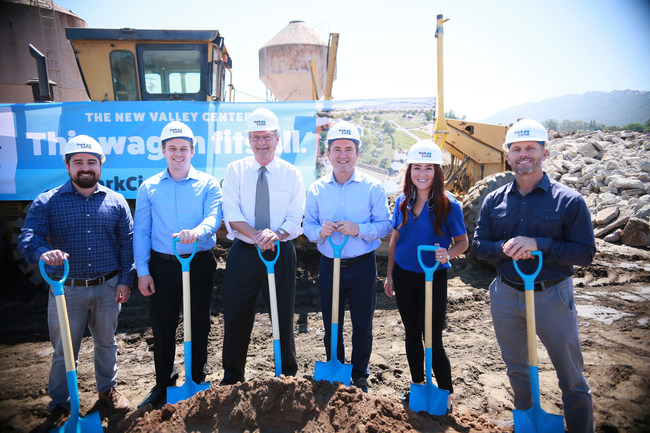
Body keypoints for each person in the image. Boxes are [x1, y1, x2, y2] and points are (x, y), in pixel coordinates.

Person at [472, 119, 595, 433]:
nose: (523, 154)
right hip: (506, 293)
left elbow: (584, 253)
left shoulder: (570, 201)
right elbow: (479, 246)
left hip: (552, 295)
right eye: (516, 149)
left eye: (530, 148)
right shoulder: (493, 200)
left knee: (570, 373)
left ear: (544, 152)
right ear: (508, 156)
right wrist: (504, 247)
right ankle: (528, 422)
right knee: (517, 367)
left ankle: (580, 428)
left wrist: (538, 245)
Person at [17, 135, 134, 419]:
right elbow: (27, 237)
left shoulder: (116, 201)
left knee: (107, 343)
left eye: (91, 162)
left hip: (107, 288)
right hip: (66, 290)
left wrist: (125, 281)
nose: (85, 167)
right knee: (63, 349)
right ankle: (60, 402)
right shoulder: (47, 201)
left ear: (100, 166)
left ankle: (107, 390)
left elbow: (127, 244)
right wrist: (44, 252)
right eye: (78, 162)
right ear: (68, 166)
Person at [134, 121, 223, 407]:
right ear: (162, 151)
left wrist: (199, 231)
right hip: (163, 267)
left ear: (192, 151)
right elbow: (142, 232)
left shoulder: (208, 183)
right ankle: (163, 383)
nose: (178, 154)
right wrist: (144, 271)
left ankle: (196, 378)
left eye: (183, 148)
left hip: (198, 264)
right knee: (163, 326)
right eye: (172, 148)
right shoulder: (149, 187)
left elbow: (214, 218)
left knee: (198, 324)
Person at [304, 121, 391, 393]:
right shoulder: (316, 189)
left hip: (362, 265)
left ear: (358, 153)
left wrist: (359, 230)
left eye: (349, 149)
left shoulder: (373, 187)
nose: (343, 154)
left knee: (362, 324)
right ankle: (336, 366)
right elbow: (307, 228)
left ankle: (360, 374)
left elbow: (385, 224)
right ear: (327, 154)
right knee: (332, 322)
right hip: (330, 265)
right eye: (337, 149)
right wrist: (320, 231)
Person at [220, 107, 305, 385]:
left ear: (277, 138)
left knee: (282, 312)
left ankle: (287, 372)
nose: (261, 143)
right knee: (235, 313)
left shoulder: (292, 174)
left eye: (266, 137)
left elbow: (295, 216)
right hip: (244, 252)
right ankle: (232, 374)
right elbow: (232, 214)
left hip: (280, 252)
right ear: (248, 140)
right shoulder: (235, 171)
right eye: (255, 137)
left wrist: (276, 234)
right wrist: (257, 235)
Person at [384, 139, 468, 411]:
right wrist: (390, 275)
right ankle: (418, 385)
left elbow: (462, 242)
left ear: (437, 172)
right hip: (405, 275)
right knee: (411, 333)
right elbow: (395, 240)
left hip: (434, 277)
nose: (422, 174)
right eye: (416, 167)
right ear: (409, 171)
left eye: (428, 168)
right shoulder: (402, 202)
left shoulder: (448, 204)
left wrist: (448, 254)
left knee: (432, 337)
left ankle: (446, 392)